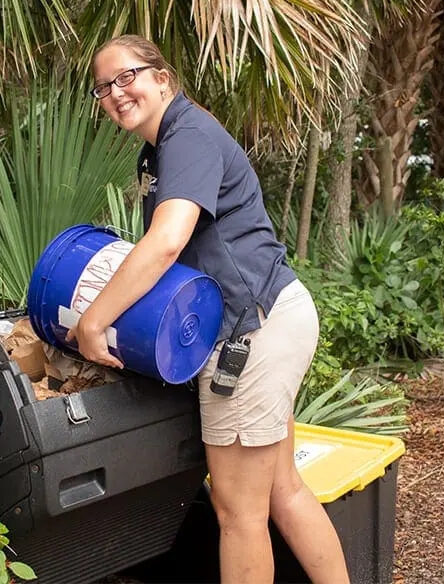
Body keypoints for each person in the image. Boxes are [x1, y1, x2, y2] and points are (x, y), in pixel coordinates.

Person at [66, 34, 350, 584]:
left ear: (162, 77)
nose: (116, 92)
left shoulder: (187, 134)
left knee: (238, 513)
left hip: (251, 333)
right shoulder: (162, 145)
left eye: (127, 76)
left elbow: (167, 240)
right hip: (273, 316)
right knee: (281, 490)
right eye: (104, 87)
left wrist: (93, 320)